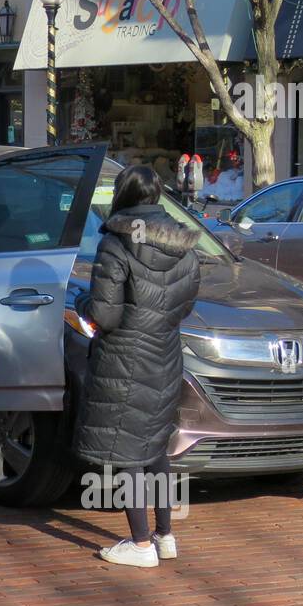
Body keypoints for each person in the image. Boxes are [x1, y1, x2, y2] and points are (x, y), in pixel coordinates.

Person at [74, 164, 201, 568]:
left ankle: (140, 544)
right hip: (165, 353)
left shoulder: (116, 243)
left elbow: (105, 316)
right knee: (156, 447)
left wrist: (81, 304)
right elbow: (186, 303)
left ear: (124, 195)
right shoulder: (183, 243)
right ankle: (165, 536)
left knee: (127, 449)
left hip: (124, 358)